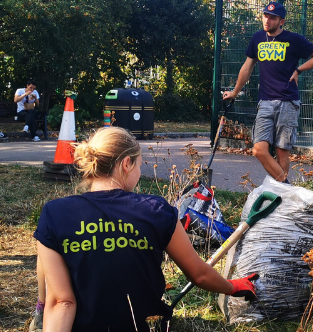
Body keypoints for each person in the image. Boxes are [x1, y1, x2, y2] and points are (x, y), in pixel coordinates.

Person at [33, 127, 259, 331]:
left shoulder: (56, 212)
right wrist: (234, 286)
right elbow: (199, 274)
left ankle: (39, 310)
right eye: (140, 165)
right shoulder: (156, 210)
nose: (139, 174)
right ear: (126, 164)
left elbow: (63, 302)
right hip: (142, 325)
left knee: (47, 237)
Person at [222, 2, 313, 183]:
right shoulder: (257, 38)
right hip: (265, 102)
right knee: (259, 150)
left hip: (288, 102)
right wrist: (234, 92)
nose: (267, 20)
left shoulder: (293, 39)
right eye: (265, 16)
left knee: (281, 152)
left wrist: (299, 70)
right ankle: (286, 187)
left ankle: (281, 196)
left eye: (272, 18)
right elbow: (247, 68)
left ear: (281, 21)